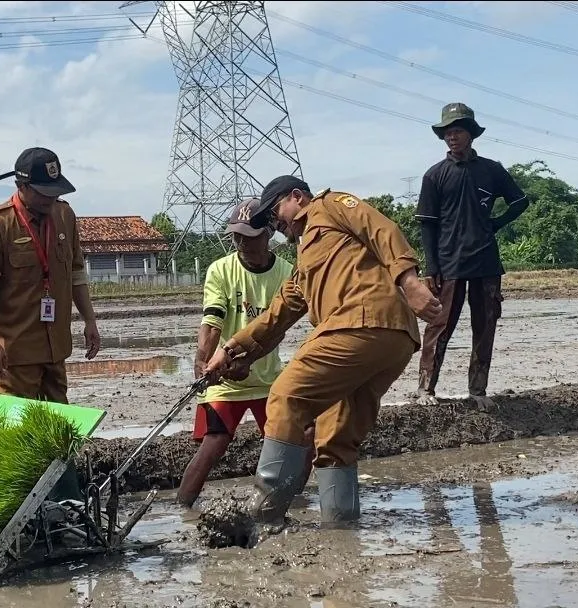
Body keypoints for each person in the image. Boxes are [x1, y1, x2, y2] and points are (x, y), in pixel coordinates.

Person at [203, 175, 442, 528]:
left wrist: (410, 283)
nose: (274, 223)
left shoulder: (329, 206)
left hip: (361, 322)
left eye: (274, 212)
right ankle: (341, 529)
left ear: (297, 197)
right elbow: (279, 313)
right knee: (335, 438)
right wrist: (234, 349)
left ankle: (262, 517)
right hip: (390, 340)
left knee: (286, 396)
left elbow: (382, 229)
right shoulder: (305, 261)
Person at [176, 197, 315, 508]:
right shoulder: (220, 270)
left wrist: (248, 360)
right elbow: (212, 322)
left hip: (267, 379)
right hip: (223, 375)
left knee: (303, 438)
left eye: (249, 237)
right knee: (215, 443)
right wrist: (203, 363)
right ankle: (183, 509)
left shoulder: (286, 273)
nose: (241, 243)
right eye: (236, 236)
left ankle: (288, 501)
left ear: (268, 234)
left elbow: (278, 329)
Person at [414, 103, 530, 411]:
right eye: (448, 132)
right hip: (449, 263)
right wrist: (432, 266)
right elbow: (427, 224)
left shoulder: (491, 170)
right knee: (440, 326)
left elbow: (520, 201)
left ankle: (478, 390)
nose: (452, 137)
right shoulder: (435, 175)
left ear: (470, 135)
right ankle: (426, 388)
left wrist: (497, 223)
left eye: (458, 131)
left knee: (485, 325)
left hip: (486, 262)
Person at [0, 147, 102, 404]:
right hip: (16, 352)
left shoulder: (65, 216)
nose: (50, 199)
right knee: (15, 424)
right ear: (22, 186)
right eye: (43, 193)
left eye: (55, 192)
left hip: (56, 347)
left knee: (59, 420)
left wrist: (90, 322)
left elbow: (76, 274)